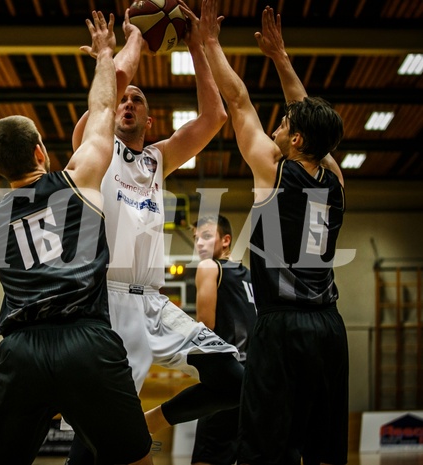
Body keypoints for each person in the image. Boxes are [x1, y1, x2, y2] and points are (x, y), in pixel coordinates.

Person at [0, 10, 155, 465]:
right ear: (40, 151)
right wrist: (108, 54)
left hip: (21, 350)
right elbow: (103, 110)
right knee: (135, 458)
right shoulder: (77, 179)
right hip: (85, 340)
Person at [67, 2, 245, 462]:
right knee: (98, 439)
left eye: (138, 101)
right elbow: (110, 90)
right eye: (123, 99)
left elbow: (215, 119)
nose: (126, 102)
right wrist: (134, 40)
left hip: (152, 300)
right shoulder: (93, 146)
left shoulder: (158, 159)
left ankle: (154, 423)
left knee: (232, 378)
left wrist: (196, 45)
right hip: (103, 302)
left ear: (151, 121)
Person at [199, 2, 348, 464]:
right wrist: (280, 57)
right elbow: (307, 117)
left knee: (265, 447)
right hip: (329, 327)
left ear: (297, 140)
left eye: (285, 124)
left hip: (282, 326)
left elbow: (239, 101)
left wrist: (209, 44)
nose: (280, 125)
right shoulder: (336, 179)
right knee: (323, 447)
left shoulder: (274, 171)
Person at [190, 215, 256, 465]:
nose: (199, 244)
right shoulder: (250, 277)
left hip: (227, 376)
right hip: (255, 380)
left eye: (207, 236)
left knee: (208, 457)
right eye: (196, 238)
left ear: (226, 240)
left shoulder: (209, 267)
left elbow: (205, 327)